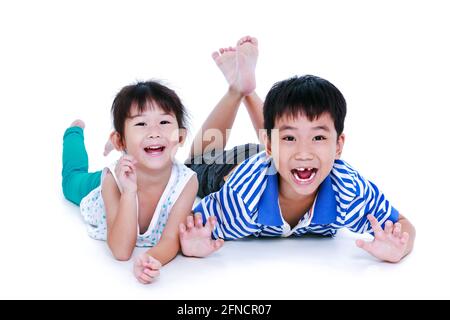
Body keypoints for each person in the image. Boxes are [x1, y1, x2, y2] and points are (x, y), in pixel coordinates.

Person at [179, 36, 416, 263]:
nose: (305, 151)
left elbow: (404, 225)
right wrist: (191, 244)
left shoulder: (350, 192)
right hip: (235, 168)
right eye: (291, 137)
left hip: (278, 162)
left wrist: (399, 248)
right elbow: (188, 224)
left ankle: (249, 91)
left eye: (319, 137)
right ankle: (237, 90)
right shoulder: (241, 201)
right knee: (197, 162)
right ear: (268, 146)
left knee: (289, 141)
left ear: (338, 146)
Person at [61, 81, 199, 284]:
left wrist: (151, 260)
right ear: (121, 141)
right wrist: (129, 192)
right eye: (141, 124)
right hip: (109, 183)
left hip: (130, 158)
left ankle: (123, 142)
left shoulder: (187, 182)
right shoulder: (113, 181)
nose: (155, 132)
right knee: (71, 180)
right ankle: (74, 133)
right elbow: (121, 251)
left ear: (180, 136)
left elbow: (170, 239)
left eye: (164, 122)